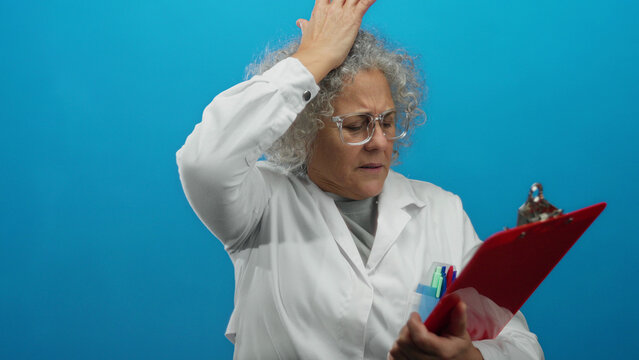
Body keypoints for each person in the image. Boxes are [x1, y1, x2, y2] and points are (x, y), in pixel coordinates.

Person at [176, 0, 544, 359]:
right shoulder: (262, 204)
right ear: (305, 128)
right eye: (356, 126)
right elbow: (203, 162)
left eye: (387, 121)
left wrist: (471, 358)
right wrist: (314, 58)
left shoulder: (441, 210)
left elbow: (522, 345)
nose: (380, 143)